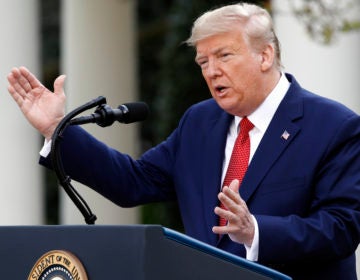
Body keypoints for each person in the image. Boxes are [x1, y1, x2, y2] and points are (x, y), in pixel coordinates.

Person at [7, 3, 360, 280]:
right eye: (202, 61)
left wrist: (257, 231)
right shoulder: (200, 122)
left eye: (224, 56)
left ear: (265, 55)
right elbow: (133, 183)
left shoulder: (334, 126)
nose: (211, 71)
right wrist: (57, 127)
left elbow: (343, 228)